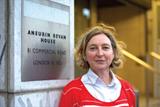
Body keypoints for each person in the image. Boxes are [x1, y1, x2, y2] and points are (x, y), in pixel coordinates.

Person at [58, 23, 136, 107]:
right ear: (84, 54)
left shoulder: (127, 89)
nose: (100, 53)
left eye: (105, 47)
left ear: (113, 53)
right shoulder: (72, 90)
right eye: (93, 48)